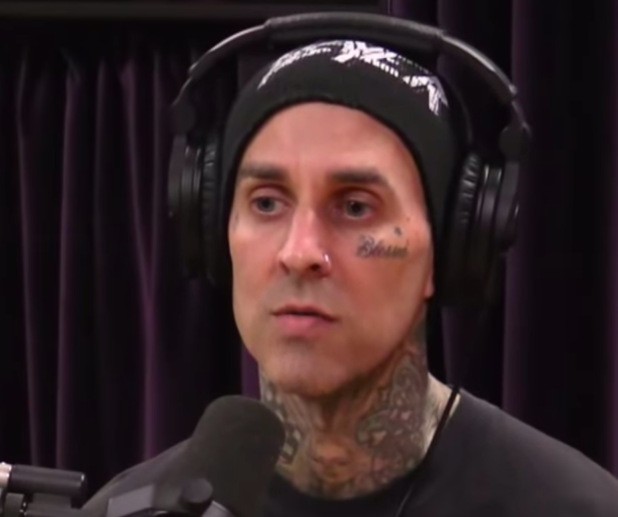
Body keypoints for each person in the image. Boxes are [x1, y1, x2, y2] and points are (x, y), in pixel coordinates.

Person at [84, 39, 618, 516]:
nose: (299, 253)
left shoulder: (573, 507)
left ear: (450, 251)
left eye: (356, 206)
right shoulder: (132, 510)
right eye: (266, 202)